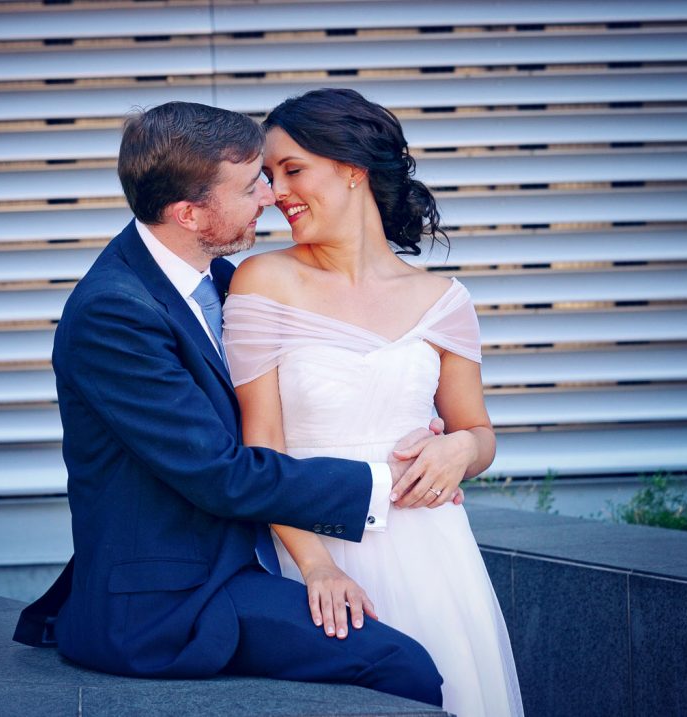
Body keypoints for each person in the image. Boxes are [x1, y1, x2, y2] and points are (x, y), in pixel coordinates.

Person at [13, 100, 463, 708]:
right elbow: (218, 474)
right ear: (190, 212)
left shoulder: (222, 282)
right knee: (398, 666)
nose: (271, 198)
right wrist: (389, 483)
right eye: (253, 185)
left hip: (249, 555)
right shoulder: (113, 314)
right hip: (174, 597)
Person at [222, 88, 525, 716]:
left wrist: (459, 448)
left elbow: (479, 433)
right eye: (268, 176)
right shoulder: (264, 281)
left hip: (434, 552)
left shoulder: (444, 299)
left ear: (353, 169)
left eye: (292, 169)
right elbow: (261, 449)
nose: (276, 193)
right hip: (314, 551)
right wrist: (315, 568)